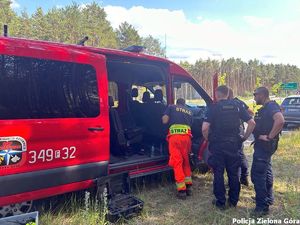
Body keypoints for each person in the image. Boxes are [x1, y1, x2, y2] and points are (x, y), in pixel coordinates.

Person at [202, 85, 255, 209]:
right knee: (233, 173)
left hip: (218, 145)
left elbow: (204, 128)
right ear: (227, 94)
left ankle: (220, 202)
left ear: (217, 94)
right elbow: (252, 123)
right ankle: (233, 201)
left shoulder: (213, 108)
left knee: (218, 173)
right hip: (234, 144)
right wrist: (244, 137)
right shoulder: (237, 106)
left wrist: (208, 138)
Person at [251, 87, 284, 216]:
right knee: (266, 170)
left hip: (265, 146)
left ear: (263, 95)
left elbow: (280, 120)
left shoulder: (271, 106)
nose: (254, 97)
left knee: (257, 175)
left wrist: (270, 136)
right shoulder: (267, 107)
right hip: (264, 146)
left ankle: (261, 207)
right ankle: (268, 198)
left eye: (255, 94)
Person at [162, 98, 193, 200]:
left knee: (177, 162)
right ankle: (188, 186)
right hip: (187, 138)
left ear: (177, 103)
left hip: (175, 138)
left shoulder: (171, 107)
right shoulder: (189, 111)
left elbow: (165, 120)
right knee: (186, 161)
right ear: (184, 104)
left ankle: (182, 190)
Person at [228, 88, 254, 186]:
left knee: (236, 154)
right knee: (240, 153)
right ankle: (244, 177)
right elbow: (251, 113)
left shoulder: (231, 103)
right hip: (240, 128)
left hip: (236, 129)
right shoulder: (240, 102)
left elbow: (251, 115)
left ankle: (238, 179)